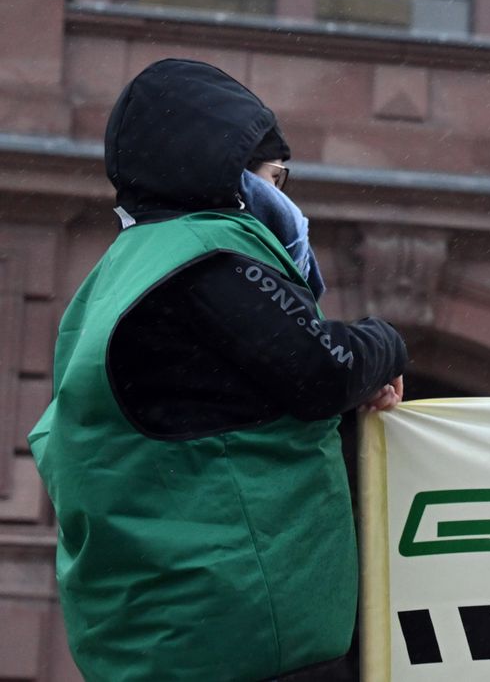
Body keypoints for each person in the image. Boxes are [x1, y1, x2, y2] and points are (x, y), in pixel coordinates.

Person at [29, 58, 409, 682]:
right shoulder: (212, 253)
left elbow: (202, 402)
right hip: (247, 624)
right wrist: (385, 344)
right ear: (229, 174)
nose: (283, 199)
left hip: (157, 626)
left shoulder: (116, 272)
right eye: (275, 177)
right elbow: (323, 369)